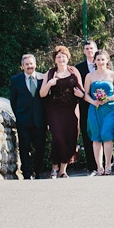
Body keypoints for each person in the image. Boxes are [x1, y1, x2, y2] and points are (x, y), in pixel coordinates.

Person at [40, 46, 84, 178]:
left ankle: (63, 170)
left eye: (63, 56)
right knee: (58, 137)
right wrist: (50, 84)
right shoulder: (50, 72)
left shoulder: (73, 71)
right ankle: (54, 167)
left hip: (71, 110)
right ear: (55, 59)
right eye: (58, 56)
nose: (61, 59)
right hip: (55, 110)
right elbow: (42, 94)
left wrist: (79, 94)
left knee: (70, 137)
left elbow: (82, 92)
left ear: (68, 57)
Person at [83, 49, 114, 176]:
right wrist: (94, 102)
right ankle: (99, 167)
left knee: (107, 134)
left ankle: (108, 165)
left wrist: (109, 98)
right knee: (96, 137)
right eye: (98, 60)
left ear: (107, 60)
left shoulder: (113, 75)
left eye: (103, 59)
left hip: (110, 108)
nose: (100, 62)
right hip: (95, 108)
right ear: (95, 61)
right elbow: (85, 94)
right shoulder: (90, 76)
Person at [8, 54, 47, 179]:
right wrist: (19, 114)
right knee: (24, 148)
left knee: (40, 147)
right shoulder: (15, 80)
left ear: (35, 64)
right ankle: (27, 173)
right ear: (22, 66)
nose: (29, 66)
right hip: (23, 119)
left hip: (40, 119)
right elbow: (13, 100)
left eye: (31, 64)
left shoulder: (43, 78)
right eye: (27, 64)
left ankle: (38, 172)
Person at [75, 40, 99, 174]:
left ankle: (106, 162)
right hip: (85, 106)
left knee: (103, 133)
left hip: (103, 106)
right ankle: (92, 167)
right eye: (87, 49)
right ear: (84, 51)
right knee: (88, 135)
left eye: (91, 48)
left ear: (96, 49)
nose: (89, 51)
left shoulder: (104, 64)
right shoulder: (78, 68)